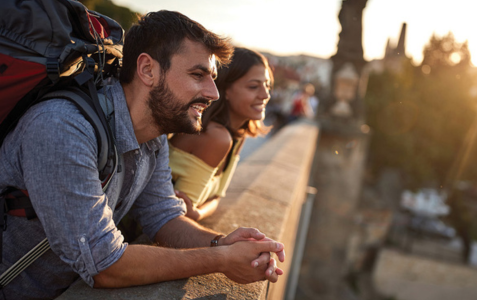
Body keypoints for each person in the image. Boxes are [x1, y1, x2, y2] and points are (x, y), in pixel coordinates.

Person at [0, 11, 285, 300]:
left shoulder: (154, 135)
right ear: (148, 70)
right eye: (197, 75)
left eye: (212, 78)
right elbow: (105, 265)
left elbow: (162, 216)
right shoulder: (63, 127)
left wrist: (222, 243)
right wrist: (221, 260)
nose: (213, 93)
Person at [168, 47, 272, 221]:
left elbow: (216, 198)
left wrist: (199, 213)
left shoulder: (237, 136)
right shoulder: (216, 137)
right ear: (226, 90)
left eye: (267, 85)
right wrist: (195, 213)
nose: (265, 94)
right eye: (254, 86)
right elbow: (178, 219)